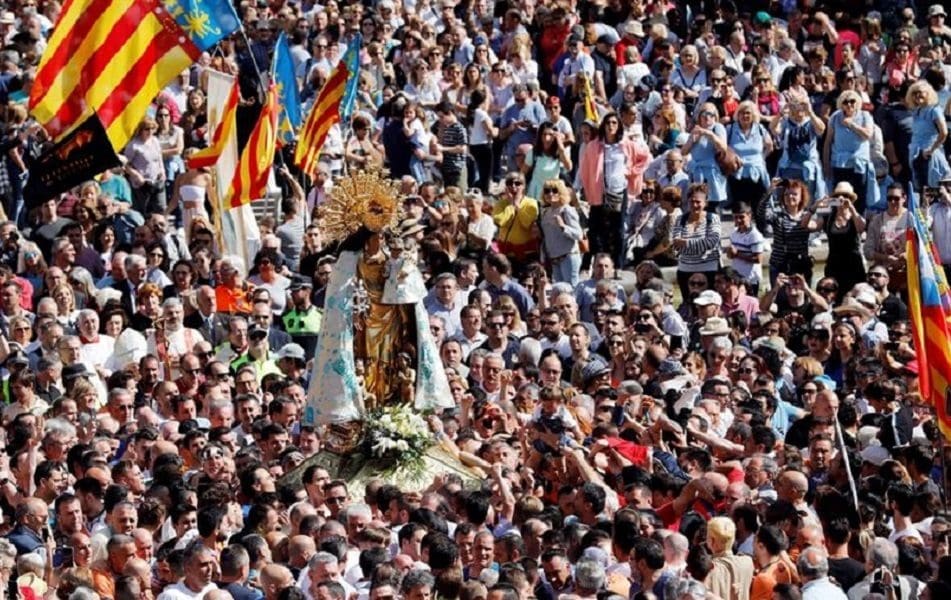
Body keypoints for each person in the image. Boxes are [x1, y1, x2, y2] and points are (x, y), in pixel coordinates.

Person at [577, 112, 651, 267]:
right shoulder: (594, 145)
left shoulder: (625, 144)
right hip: (599, 191)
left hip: (618, 190)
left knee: (618, 229)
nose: (611, 126)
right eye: (608, 122)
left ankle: (618, 264)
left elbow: (645, 157)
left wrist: (631, 171)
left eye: (614, 123)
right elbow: (585, 169)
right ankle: (595, 261)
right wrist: (586, 188)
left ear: (619, 126)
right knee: (595, 228)